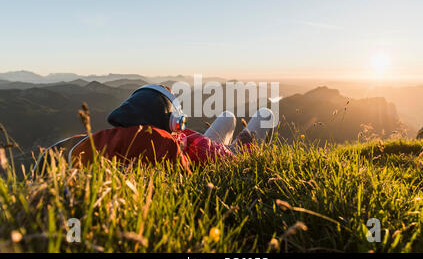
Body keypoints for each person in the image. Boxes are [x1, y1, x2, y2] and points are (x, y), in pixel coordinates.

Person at [38, 84, 275, 174]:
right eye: (179, 122)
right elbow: (226, 161)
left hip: (196, 149)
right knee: (264, 116)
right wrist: (244, 147)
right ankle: (253, 130)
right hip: (216, 154)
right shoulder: (167, 144)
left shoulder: (126, 139)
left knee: (229, 116)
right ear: (170, 121)